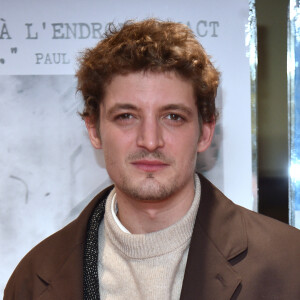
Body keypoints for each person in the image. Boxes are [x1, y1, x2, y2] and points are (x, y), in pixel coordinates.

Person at [4, 19, 300, 300]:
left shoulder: (290, 265)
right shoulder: (33, 280)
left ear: (205, 132)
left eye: (173, 117)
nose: (149, 140)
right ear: (94, 130)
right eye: (126, 116)